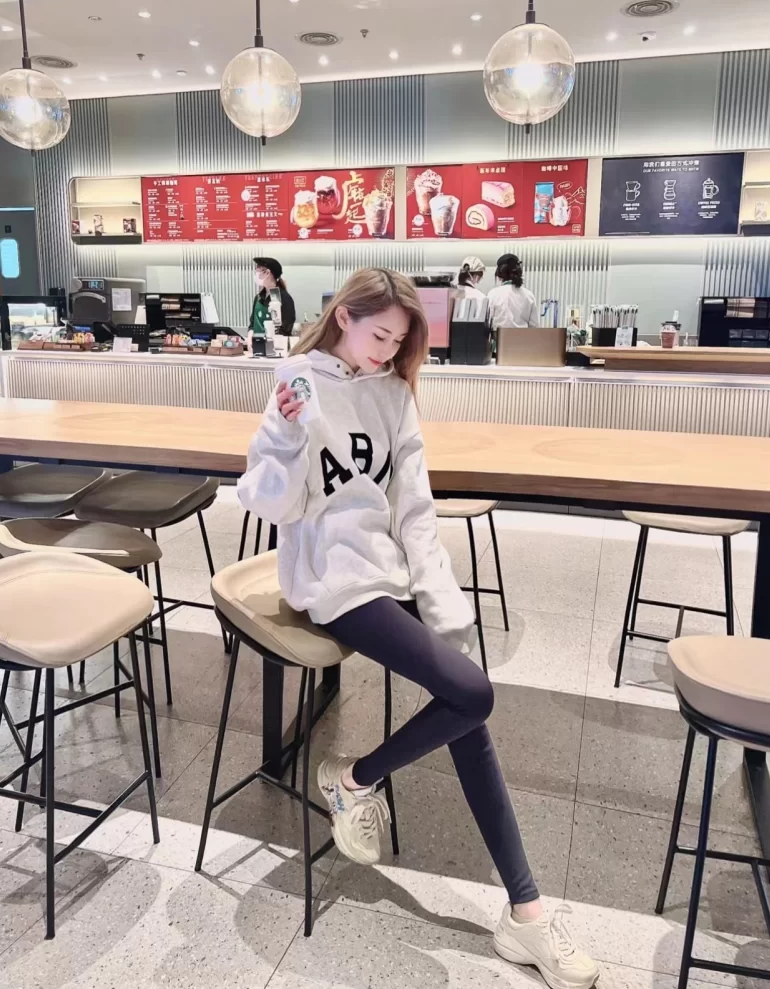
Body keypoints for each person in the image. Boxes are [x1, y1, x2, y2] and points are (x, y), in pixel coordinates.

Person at [237, 268, 599, 989]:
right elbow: (273, 504)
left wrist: (444, 605)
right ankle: (356, 779)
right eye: (379, 335)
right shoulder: (297, 382)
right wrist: (283, 431)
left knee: (467, 701)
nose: (386, 351)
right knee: (474, 694)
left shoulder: (395, 394)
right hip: (334, 580)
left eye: (399, 341)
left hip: (391, 573)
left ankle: (522, 910)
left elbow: (415, 512)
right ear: (344, 316)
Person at [248, 257, 296, 348]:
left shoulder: (284, 298)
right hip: (257, 346)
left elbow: (285, 329)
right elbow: (252, 324)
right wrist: (250, 338)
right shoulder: (258, 298)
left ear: (267, 273)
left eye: (258, 272)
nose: (256, 275)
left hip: (276, 348)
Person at [487, 253, 539, 329]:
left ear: (499, 273)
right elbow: (534, 326)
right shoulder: (529, 295)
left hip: (499, 336)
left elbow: (488, 323)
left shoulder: (493, 294)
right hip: (523, 336)